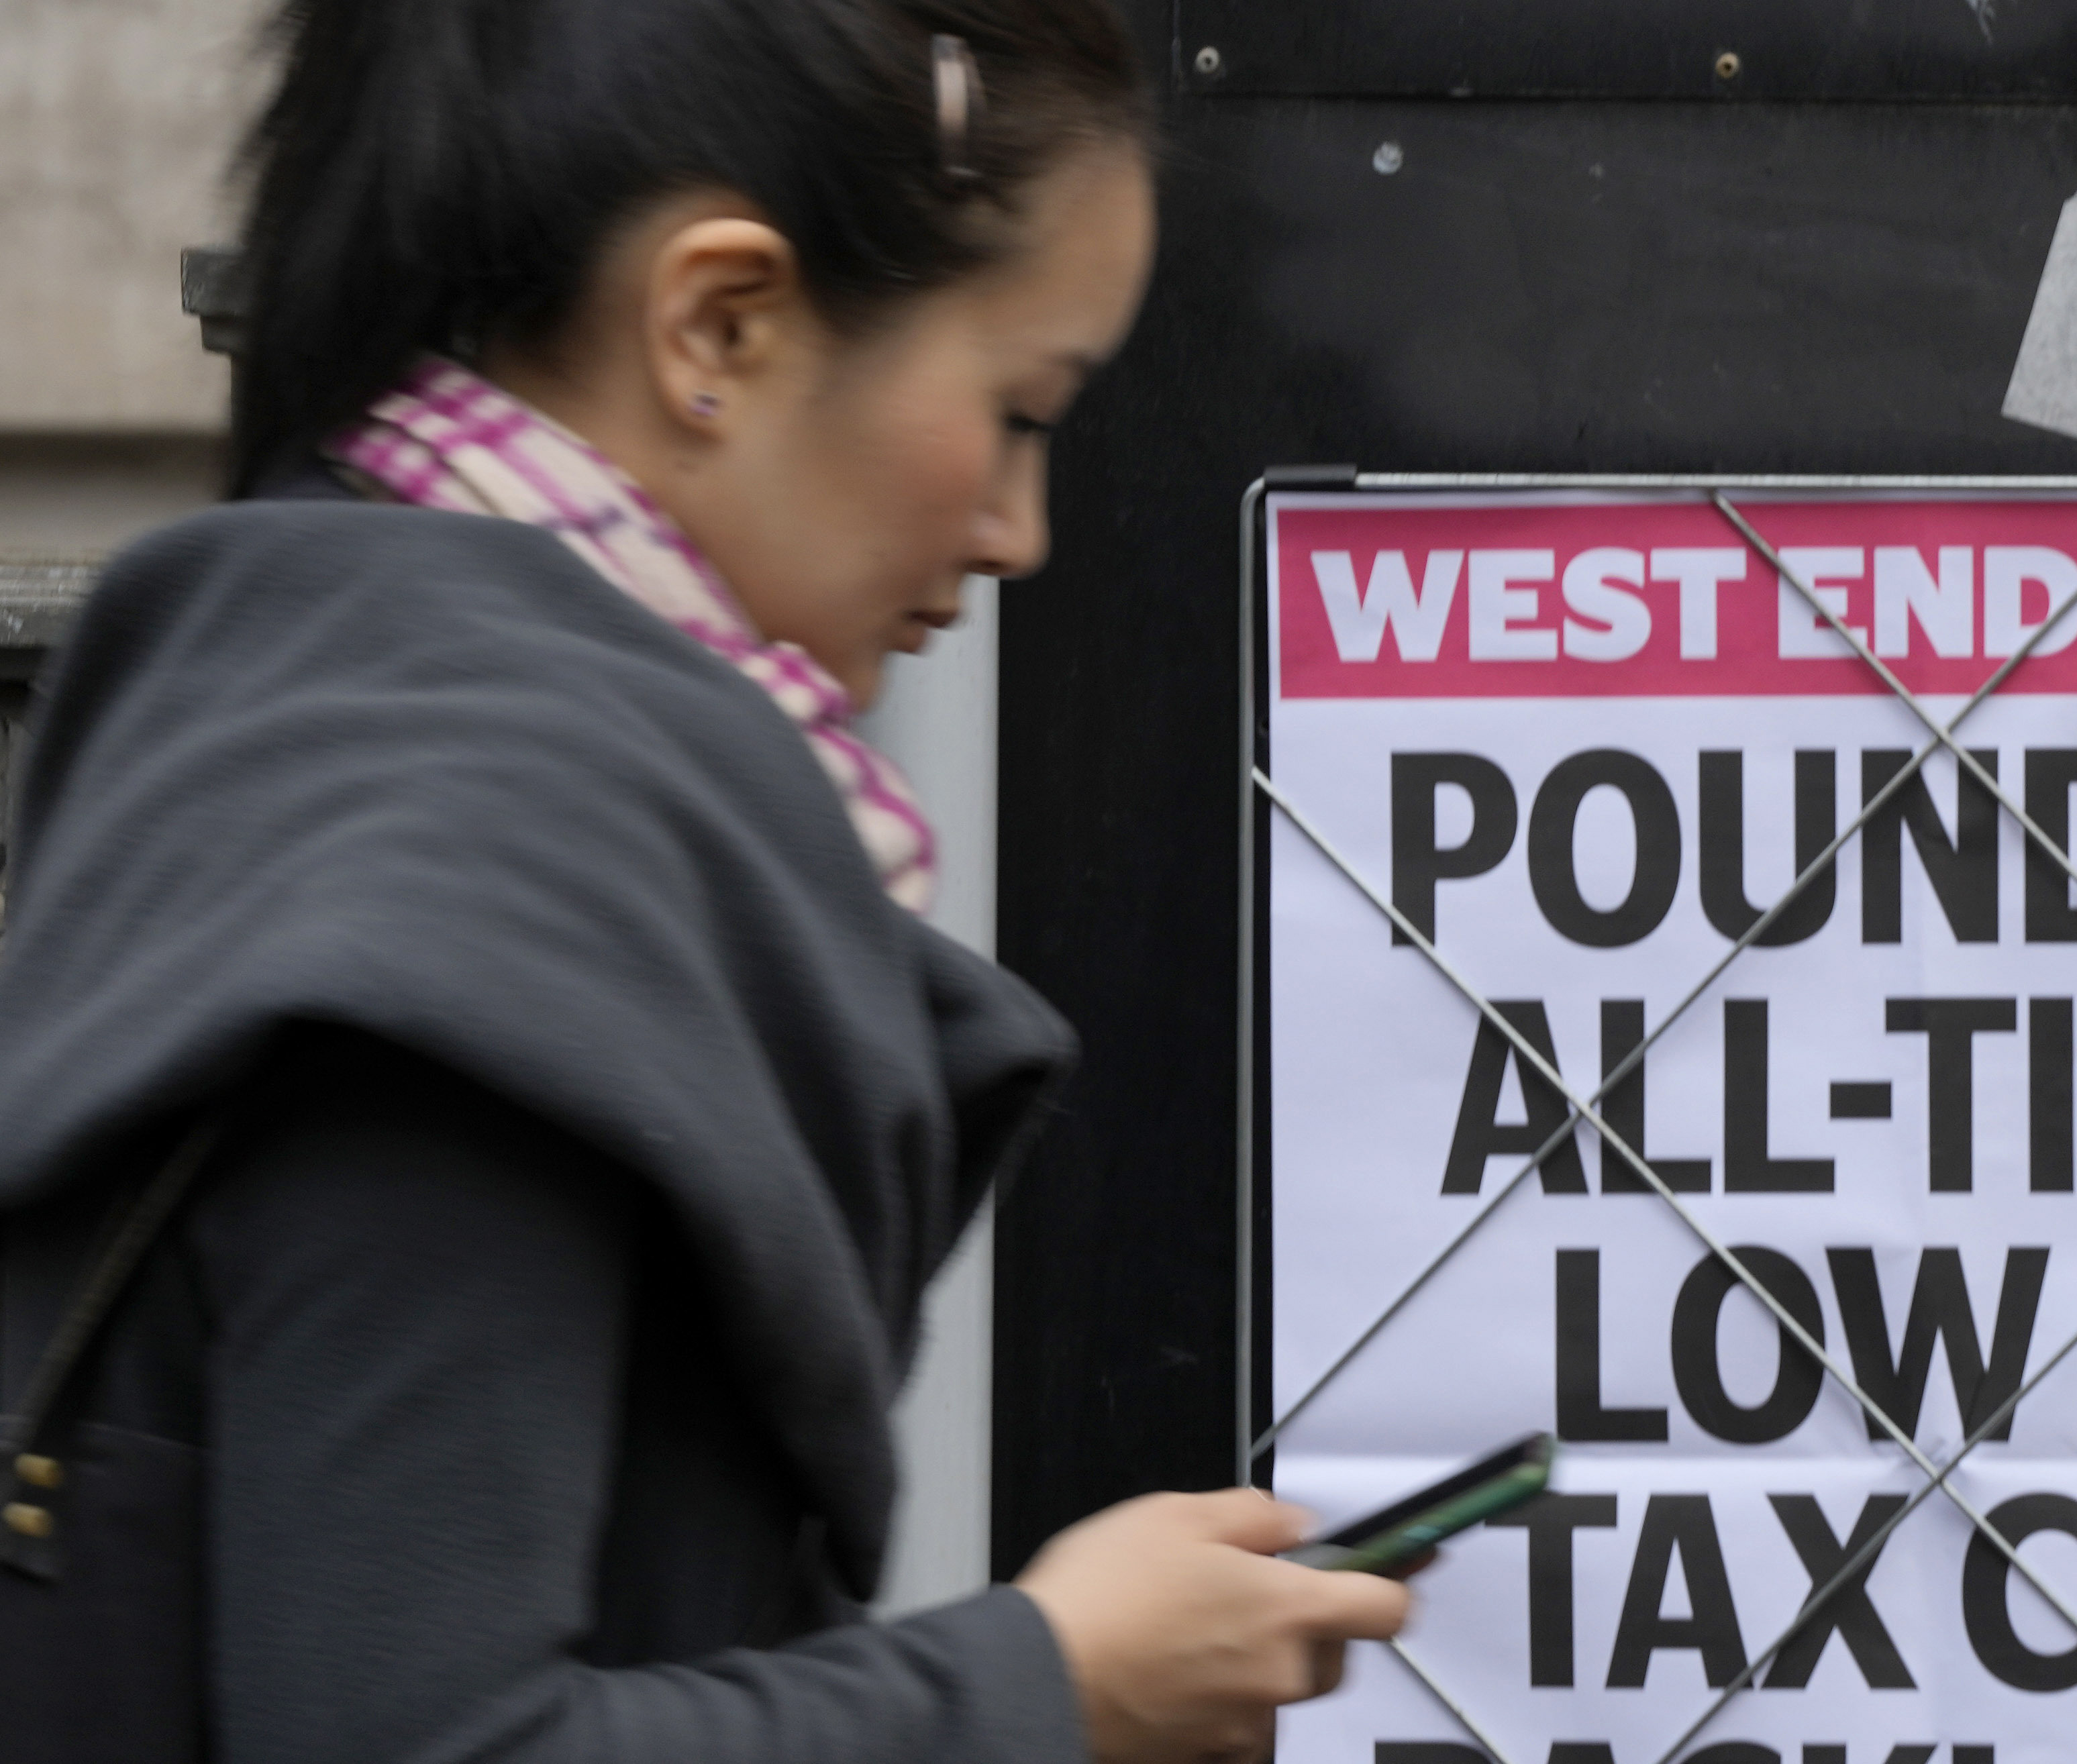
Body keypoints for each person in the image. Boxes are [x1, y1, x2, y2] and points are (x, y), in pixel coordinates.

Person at [0, 1, 1409, 1760]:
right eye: (1017, 410)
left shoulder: (320, 741)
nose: (1017, 532)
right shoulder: (477, 910)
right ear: (717, 324)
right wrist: (1052, 1681)